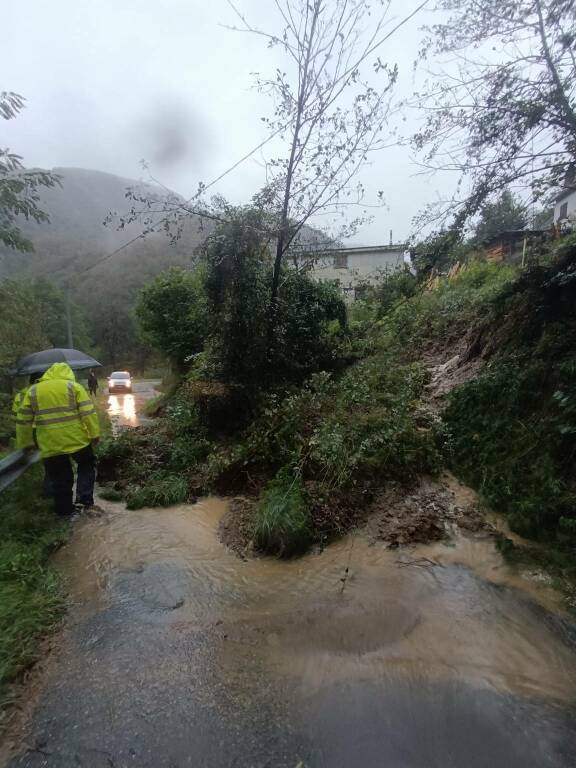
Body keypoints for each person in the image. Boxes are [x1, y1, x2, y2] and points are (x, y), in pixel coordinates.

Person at [16, 362, 101, 516]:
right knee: (87, 464)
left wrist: (26, 443)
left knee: (60, 478)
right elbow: (88, 413)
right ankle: (84, 500)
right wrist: (94, 434)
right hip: (76, 440)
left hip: (50, 444)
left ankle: (64, 513)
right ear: (68, 374)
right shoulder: (73, 387)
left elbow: (23, 422)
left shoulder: (33, 391)